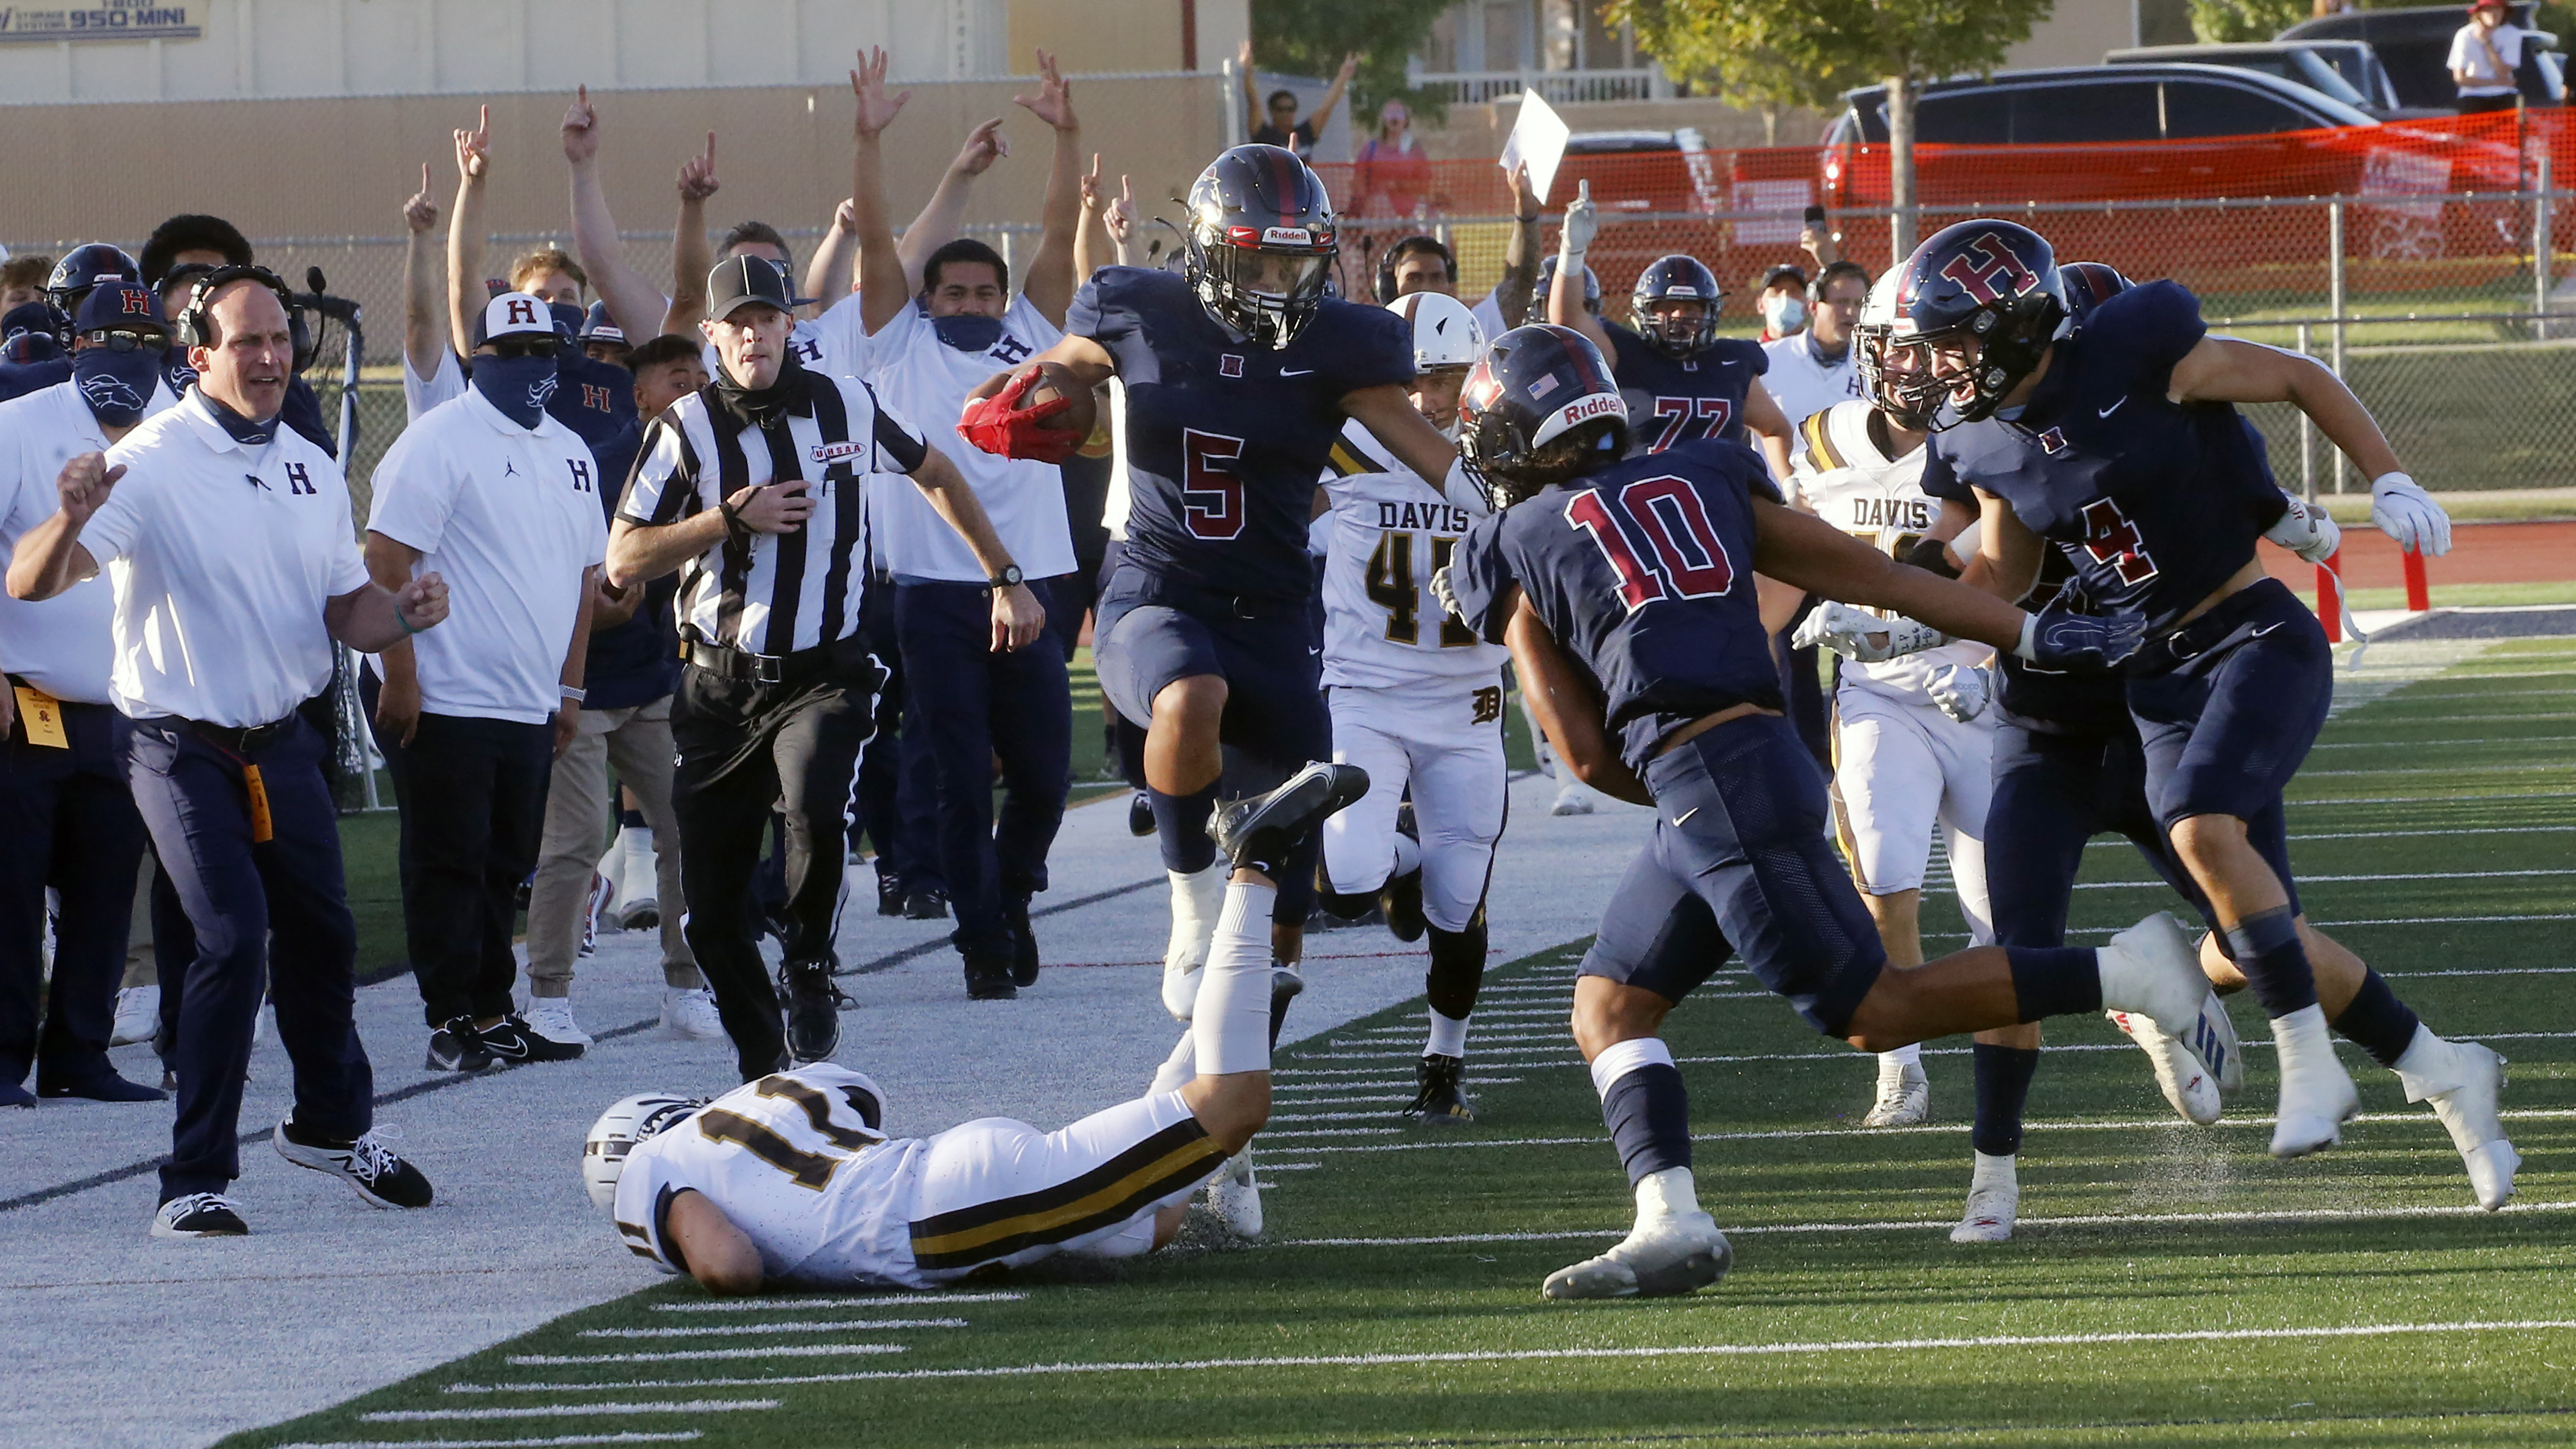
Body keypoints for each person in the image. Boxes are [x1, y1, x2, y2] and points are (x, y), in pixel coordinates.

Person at [1433, 322, 2216, 1300]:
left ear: (1509, 441)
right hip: (1757, 760)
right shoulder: (1710, 469)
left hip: (1705, 779)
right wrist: (2037, 631)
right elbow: (1885, 579)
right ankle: (1668, 1217)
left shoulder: (1512, 538)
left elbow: (1586, 755)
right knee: (1612, 1001)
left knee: (1875, 1012)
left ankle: (2130, 971)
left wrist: (1680, 787)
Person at [1806, 243, 2517, 1223]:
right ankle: (2000, 1172)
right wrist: (1902, 625)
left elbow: (2262, 420)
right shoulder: (1982, 445)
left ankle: (2428, 1072)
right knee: (2029, 948)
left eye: (1953, 343)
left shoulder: (2137, 356)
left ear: (2027, 331)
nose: (1935, 370)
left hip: (2183, 680)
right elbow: (1985, 578)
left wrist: (2353, 491)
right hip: (2063, 724)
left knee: (2268, 932)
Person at [962, 141, 1455, 1039]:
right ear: (1212, 249)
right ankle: (1188, 912)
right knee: (1190, 696)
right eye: (1259, 258)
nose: (1277, 280)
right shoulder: (1141, 309)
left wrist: (1522, 507)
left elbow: (1438, 463)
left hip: (1275, 620)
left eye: (1294, 261)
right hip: (1160, 590)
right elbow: (1070, 366)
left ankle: (1229, 1147)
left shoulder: (1344, 344)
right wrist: (1046, 391)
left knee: (1277, 941)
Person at [6, 266, 443, 1237]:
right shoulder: (152, 458)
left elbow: (347, 610)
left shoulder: (309, 463)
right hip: (175, 741)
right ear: (198, 356)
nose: (273, 356)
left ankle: (331, 1126)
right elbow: (33, 581)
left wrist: (401, 614)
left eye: (281, 338)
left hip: (281, 740)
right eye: (248, 341)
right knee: (231, 938)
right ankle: (192, 1178)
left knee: (324, 935)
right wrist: (72, 513)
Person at [584, 761, 1364, 1292]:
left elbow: (729, 1266)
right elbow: (860, 1103)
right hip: (948, 1165)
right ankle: (1241, 1011)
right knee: (1144, 1224)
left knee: (1231, 1107)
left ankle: (1253, 864)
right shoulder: (753, 1099)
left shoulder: (650, 1170)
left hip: (936, 1219)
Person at [606, 250, 1045, 1081]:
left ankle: (809, 962)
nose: (752, 336)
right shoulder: (685, 429)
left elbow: (936, 471)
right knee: (710, 912)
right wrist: (727, 520)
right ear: (712, 337)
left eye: (766, 320)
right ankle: (765, 1065)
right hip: (718, 682)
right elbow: (625, 557)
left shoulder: (844, 400)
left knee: (813, 802)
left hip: (824, 670)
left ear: (788, 327)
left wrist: (1005, 575)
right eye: (736, 324)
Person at [850, 49, 1085, 1000]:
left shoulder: (1034, 331)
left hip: (1037, 585)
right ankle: (982, 938)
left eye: (984, 293)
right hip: (936, 595)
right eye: (955, 293)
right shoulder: (895, 337)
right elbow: (873, 238)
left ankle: (1013, 890)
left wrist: (1067, 135)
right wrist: (869, 139)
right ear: (927, 300)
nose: (973, 305)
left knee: (1042, 778)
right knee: (954, 776)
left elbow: (1061, 230)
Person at [362, 292, 609, 1071]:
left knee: (506, 861)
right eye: (518, 352)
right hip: (444, 693)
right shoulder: (439, 441)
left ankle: (493, 1002)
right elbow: (385, 559)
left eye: (547, 352)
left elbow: (584, 581)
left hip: (528, 698)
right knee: (449, 858)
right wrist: (400, 675)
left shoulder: (571, 449)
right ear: (482, 357)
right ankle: (450, 1016)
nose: (536, 367)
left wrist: (568, 690)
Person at [1311, 292, 1507, 1124]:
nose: (1432, 398)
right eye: (1418, 378)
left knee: (1459, 905)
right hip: (1368, 691)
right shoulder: (1345, 445)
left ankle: (1444, 1060)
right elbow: (1283, 516)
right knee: (1347, 877)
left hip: (1467, 700)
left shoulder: (1503, 458)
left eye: (1451, 377)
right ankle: (1405, 862)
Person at [0, 282, 183, 1108]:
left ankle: (80, 1052)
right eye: (110, 334)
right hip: (24, 698)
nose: (127, 352)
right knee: (10, 887)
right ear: (76, 342)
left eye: (144, 337)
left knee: (108, 890)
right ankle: (3, 1059)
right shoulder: (20, 423)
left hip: (127, 705)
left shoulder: (180, 428)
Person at [520, 329, 721, 1046]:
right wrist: (592, 617)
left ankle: (686, 985)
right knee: (573, 842)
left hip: (658, 682)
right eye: (678, 379)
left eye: (703, 376)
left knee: (687, 831)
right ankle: (547, 993)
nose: (695, 389)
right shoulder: (596, 467)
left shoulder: (719, 465)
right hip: (583, 683)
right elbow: (562, 572)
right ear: (640, 397)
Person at [1547, 191, 1796, 479]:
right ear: (1644, 311)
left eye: (1692, 308)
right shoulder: (1623, 353)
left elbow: (1775, 429)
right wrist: (1572, 252)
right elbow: (1567, 319)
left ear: (1710, 313)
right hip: (1642, 500)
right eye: (1668, 308)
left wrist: (1789, 485)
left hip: (1718, 500)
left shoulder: (1732, 362)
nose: (1680, 316)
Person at [1762, 260, 1871, 441]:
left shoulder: (1873, 367)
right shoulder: (1767, 359)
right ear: (1812, 307)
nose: (1851, 311)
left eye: (1859, 304)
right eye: (1842, 302)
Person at [1241, 43, 1358, 161]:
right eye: (1281, 109)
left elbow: (1326, 109)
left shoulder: (1305, 134)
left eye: (1291, 109)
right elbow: (1253, 103)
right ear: (1272, 111)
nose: (1286, 114)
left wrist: (1343, 77)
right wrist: (1248, 70)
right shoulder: (1264, 135)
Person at [2451, 0, 2528, 115]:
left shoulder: (2512, 34)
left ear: (2504, 12)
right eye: (2488, 9)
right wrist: (2495, 83)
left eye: (2497, 9)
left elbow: (2503, 73)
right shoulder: (2465, 35)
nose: (2493, 14)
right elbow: (2460, 79)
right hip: (2472, 97)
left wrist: (2487, 43)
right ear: (2480, 13)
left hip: (2504, 95)